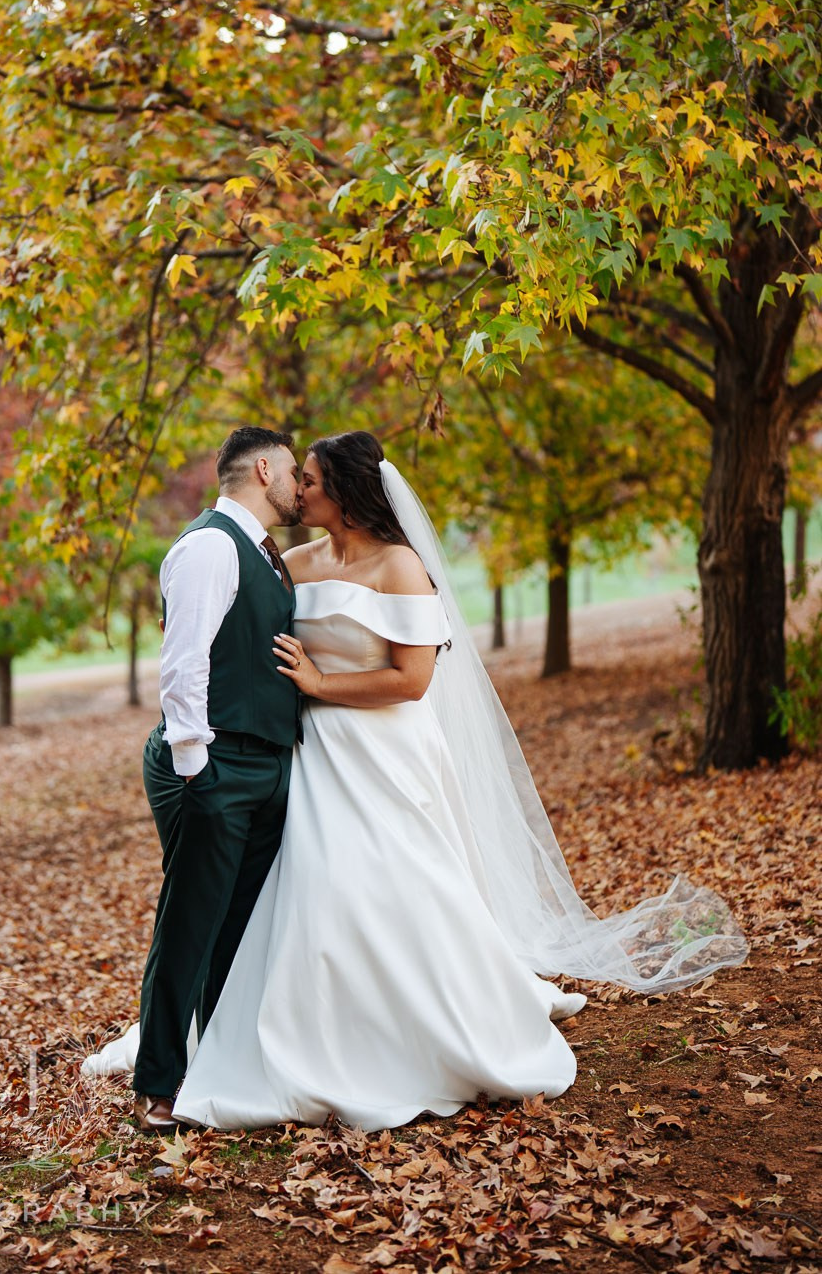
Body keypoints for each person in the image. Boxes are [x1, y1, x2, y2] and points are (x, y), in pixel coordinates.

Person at [86, 432, 747, 1131]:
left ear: (341, 490)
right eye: (296, 477)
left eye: (310, 480)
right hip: (302, 755)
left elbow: (412, 678)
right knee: (290, 901)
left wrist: (317, 682)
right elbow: (213, 642)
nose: (300, 490)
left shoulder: (397, 566)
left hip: (374, 746)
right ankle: (232, 1044)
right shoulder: (280, 561)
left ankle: (407, 1024)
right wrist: (203, 751)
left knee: (388, 886)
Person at [128, 426, 302, 1133]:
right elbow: (183, 664)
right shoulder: (208, 547)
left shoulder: (268, 553)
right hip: (213, 764)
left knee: (236, 926)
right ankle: (158, 1086)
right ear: (264, 469)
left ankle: (218, 1070)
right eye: (293, 472)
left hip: (265, 762)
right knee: (191, 922)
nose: (299, 484)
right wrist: (199, 769)